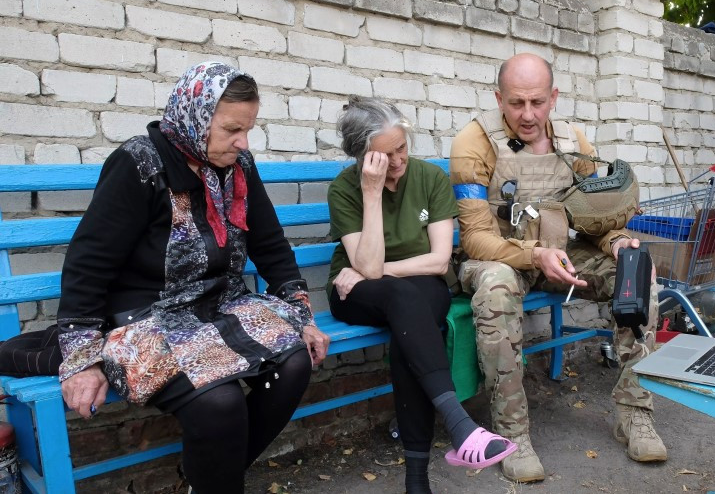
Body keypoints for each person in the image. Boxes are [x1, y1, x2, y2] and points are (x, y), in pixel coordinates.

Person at [57, 62, 330, 494]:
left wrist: (302, 314)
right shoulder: (139, 163)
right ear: (194, 117)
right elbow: (88, 263)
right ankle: (215, 480)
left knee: (295, 363)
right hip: (147, 317)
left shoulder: (238, 165)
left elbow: (271, 244)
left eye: (248, 130)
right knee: (219, 403)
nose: (242, 143)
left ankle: (207, 479)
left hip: (217, 305)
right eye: (231, 130)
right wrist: (81, 359)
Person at [449, 53, 666, 483]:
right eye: (515, 103)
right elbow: (474, 237)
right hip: (499, 257)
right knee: (494, 287)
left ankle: (635, 414)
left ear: (554, 97)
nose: (527, 115)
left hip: (560, 251)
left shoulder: (574, 143)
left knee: (638, 271)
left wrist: (618, 242)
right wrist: (534, 255)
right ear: (498, 98)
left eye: (537, 102)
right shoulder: (473, 143)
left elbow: (592, 220)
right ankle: (512, 434)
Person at [326, 97, 516, 494]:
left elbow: (437, 260)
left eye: (401, 148)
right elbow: (372, 267)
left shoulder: (429, 178)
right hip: (355, 294)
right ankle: (459, 425)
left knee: (407, 320)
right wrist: (372, 193)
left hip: (406, 286)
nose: (397, 161)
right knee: (404, 303)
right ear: (362, 157)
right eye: (384, 155)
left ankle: (418, 482)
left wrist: (372, 272)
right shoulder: (345, 190)